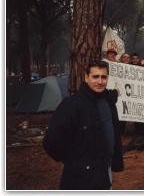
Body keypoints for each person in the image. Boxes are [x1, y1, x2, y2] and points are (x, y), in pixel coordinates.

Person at [43, 61, 124, 190]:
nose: (100, 81)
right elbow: (51, 141)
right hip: (81, 176)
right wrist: (72, 159)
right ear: (86, 77)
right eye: (95, 76)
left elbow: (112, 94)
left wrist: (116, 91)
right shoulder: (72, 105)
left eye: (104, 77)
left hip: (105, 169)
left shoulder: (108, 98)